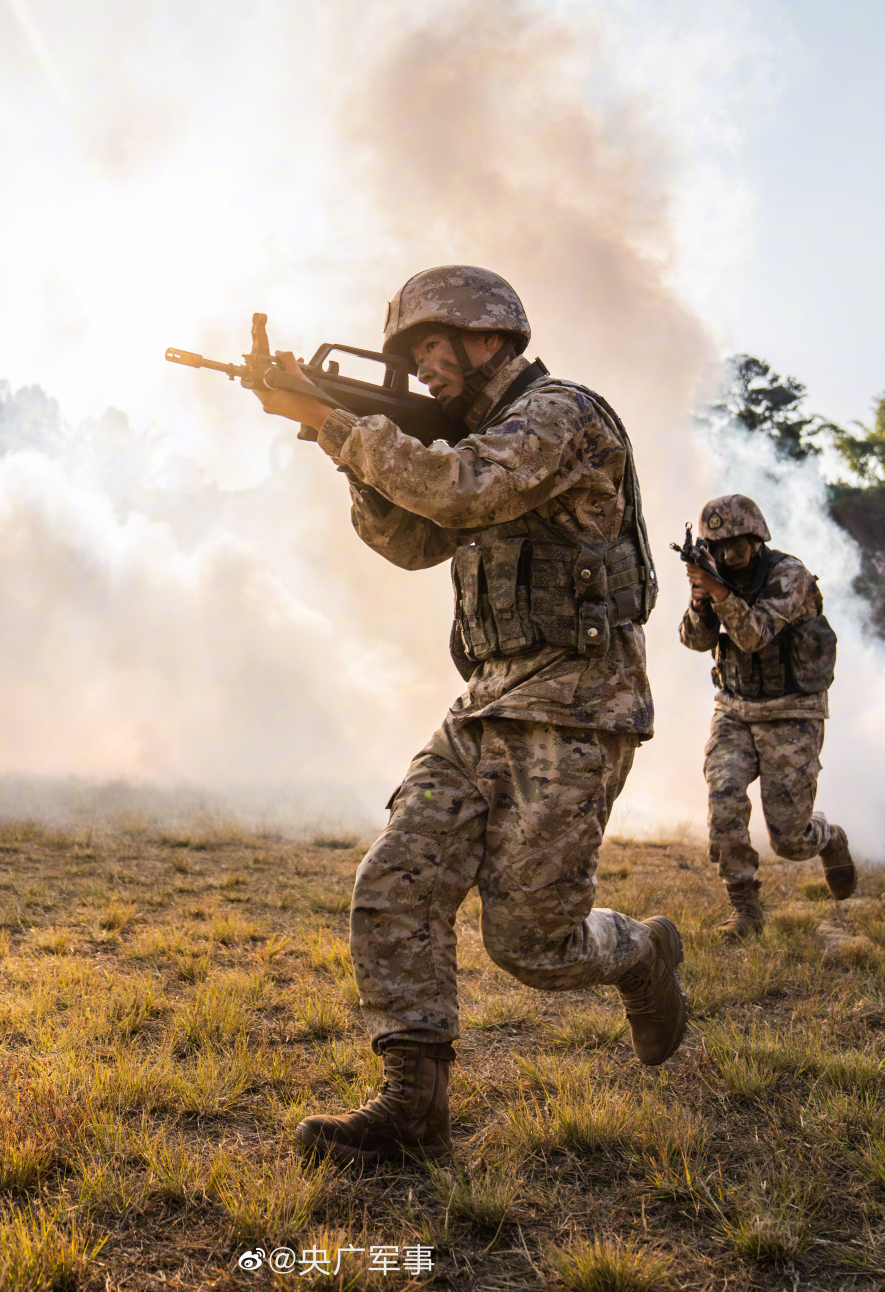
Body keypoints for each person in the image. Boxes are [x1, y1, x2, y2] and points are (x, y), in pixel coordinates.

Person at [248, 265, 688, 1165]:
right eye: (411, 356)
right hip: (485, 702)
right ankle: (413, 1109)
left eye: (431, 351)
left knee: (534, 943)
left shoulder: (562, 417)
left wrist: (337, 423)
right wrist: (338, 448)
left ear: (487, 337)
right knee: (395, 882)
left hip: (576, 707)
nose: (422, 372)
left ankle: (641, 954)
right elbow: (414, 538)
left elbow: (457, 491)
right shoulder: (471, 438)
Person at [678, 493, 855, 938]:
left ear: (757, 538)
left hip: (792, 711)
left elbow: (755, 635)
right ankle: (745, 907)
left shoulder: (789, 576)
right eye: (718, 545)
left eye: (737, 542)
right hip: (735, 708)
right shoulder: (716, 577)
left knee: (790, 839)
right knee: (723, 798)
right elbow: (695, 642)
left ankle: (829, 838)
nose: (728, 552)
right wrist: (701, 598)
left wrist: (718, 591)